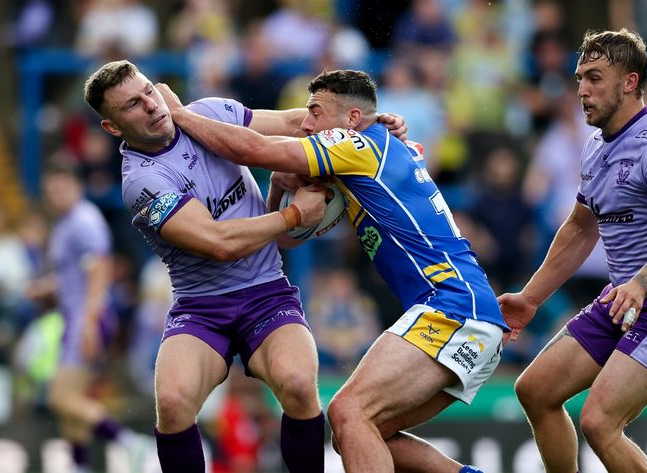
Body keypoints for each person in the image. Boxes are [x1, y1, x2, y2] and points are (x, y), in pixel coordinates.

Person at [155, 69, 506, 473]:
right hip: (466, 311)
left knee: (348, 411)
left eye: (315, 112)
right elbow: (286, 238)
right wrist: (277, 189)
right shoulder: (374, 149)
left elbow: (251, 149)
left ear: (352, 120)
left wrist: (178, 115)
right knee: (360, 430)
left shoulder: (354, 146)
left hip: (451, 306)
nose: (306, 124)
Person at [82, 60, 406, 473]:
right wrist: (293, 216)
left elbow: (295, 122)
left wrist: (372, 126)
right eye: (132, 104)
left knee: (299, 384)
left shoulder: (208, 113)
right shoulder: (141, 182)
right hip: (201, 308)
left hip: (266, 293)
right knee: (173, 402)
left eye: (148, 90)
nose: (150, 105)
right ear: (113, 128)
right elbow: (218, 243)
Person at [497, 29, 647, 472]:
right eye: (579, 78)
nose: (581, 90)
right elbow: (580, 228)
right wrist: (530, 298)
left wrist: (638, 285)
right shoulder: (596, 145)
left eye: (594, 78)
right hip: (624, 297)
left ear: (630, 82)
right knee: (534, 391)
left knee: (599, 422)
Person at [31, 160, 146, 472]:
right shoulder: (65, 224)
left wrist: (90, 323)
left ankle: (129, 443)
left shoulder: (84, 220)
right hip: (75, 318)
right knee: (73, 400)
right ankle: (79, 466)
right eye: (50, 191)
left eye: (61, 189)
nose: (55, 196)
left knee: (60, 398)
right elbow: (73, 275)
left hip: (87, 319)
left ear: (76, 188)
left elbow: (99, 268)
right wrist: (46, 289)